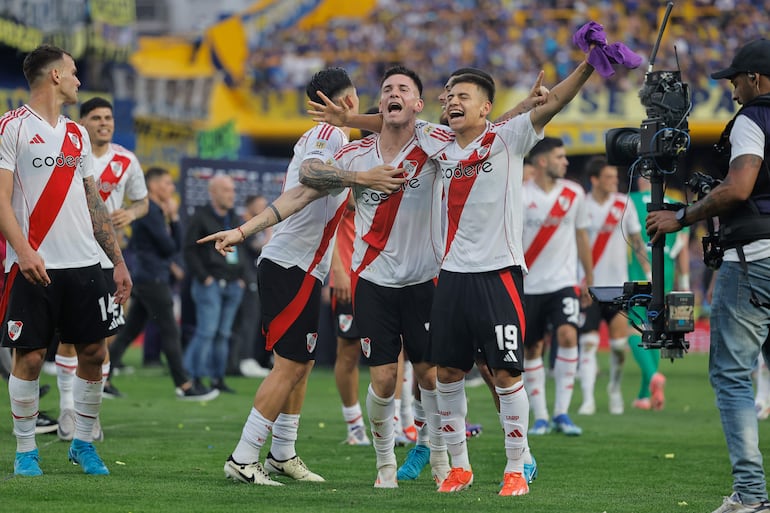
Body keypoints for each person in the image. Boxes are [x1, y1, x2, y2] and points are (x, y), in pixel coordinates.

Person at [198, 67, 405, 487]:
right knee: (290, 364)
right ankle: (243, 455)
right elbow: (310, 178)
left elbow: (301, 196)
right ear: (348, 101)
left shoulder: (339, 141)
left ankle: (282, 453)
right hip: (289, 265)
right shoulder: (325, 136)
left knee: (303, 363)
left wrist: (243, 231)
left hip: (306, 267)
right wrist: (362, 179)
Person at [646, 38, 770, 513]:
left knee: (733, 377)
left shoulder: (754, 118)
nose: (734, 89)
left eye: (736, 79)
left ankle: (751, 496)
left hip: (756, 260)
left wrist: (683, 216)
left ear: (755, 79)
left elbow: (739, 188)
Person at [0, 44, 132, 477]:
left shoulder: (76, 134)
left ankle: (83, 444)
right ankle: (25, 452)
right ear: (55, 76)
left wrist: (116, 260)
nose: (78, 80)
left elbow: (92, 200)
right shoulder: (11, 128)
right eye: (74, 72)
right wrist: (22, 250)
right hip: (32, 264)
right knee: (32, 357)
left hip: (85, 264)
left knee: (94, 352)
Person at [55, 96, 149, 443]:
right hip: (70, 254)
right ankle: (67, 406)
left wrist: (132, 214)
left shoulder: (126, 160)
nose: (104, 123)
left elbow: (143, 201)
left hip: (109, 260)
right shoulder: (67, 153)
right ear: (83, 123)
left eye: (108, 117)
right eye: (95, 117)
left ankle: (88, 415)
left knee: (101, 340)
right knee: (69, 338)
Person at [108, 166, 219, 402]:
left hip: (148, 276)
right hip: (152, 278)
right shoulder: (148, 212)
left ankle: (101, 378)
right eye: (168, 183)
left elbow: (171, 246)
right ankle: (185, 385)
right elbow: (170, 247)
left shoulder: (156, 211)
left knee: (130, 331)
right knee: (170, 330)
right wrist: (175, 218)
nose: (171, 188)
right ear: (155, 186)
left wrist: (173, 219)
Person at [521, 137, 592, 436]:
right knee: (532, 347)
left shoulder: (574, 194)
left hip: (563, 282)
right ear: (542, 162)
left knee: (567, 335)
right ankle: (541, 416)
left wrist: (589, 278)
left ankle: (562, 412)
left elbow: (581, 237)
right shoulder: (520, 196)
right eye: (560, 157)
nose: (565, 162)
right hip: (527, 284)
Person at [577, 157, 646, 416]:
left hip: (618, 287)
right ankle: (587, 398)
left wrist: (648, 271)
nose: (614, 181)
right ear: (594, 180)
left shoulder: (623, 204)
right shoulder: (580, 205)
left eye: (615, 177)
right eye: (608, 177)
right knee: (589, 343)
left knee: (618, 345)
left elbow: (637, 240)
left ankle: (614, 388)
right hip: (589, 287)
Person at [627, 176, 689, 411]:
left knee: (633, 329)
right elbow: (682, 249)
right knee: (656, 331)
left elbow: (632, 240)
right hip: (667, 274)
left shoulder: (630, 201)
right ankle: (645, 395)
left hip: (639, 274)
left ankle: (653, 376)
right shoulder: (676, 206)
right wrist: (684, 285)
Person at [183, 174, 246, 393]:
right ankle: (193, 379)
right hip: (210, 283)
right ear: (214, 192)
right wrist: (204, 277)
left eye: (232, 190)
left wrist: (242, 279)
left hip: (232, 284)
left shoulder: (234, 217)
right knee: (207, 331)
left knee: (223, 334)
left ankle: (217, 379)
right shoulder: (200, 217)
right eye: (227, 190)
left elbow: (242, 250)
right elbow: (189, 250)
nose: (232, 195)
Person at [329, 199, 370, 445]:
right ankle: (354, 426)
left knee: (396, 351)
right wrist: (338, 271)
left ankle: (397, 422)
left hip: (384, 276)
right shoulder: (349, 172)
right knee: (349, 351)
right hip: (348, 278)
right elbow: (331, 225)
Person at [229, 194, 272, 379]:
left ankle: (247, 358)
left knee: (253, 320)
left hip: (253, 277)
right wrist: (270, 230)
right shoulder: (244, 225)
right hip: (246, 278)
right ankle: (244, 359)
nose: (264, 210)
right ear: (250, 206)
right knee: (248, 319)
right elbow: (259, 247)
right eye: (261, 206)